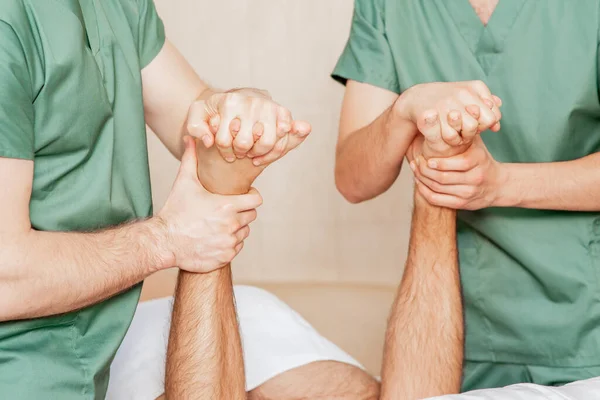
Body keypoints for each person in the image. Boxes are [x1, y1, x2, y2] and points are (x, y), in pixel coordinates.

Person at [0, 1, 372, 398]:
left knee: (345, 389)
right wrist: (168, 239)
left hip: (91, 354)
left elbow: (195, 120)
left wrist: (239, 110)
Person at [333, 0, 600, 392]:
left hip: (586, 331)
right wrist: (404, 110)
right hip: (456, 337)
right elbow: (353, 178)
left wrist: (499, 184)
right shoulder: (389, 6)